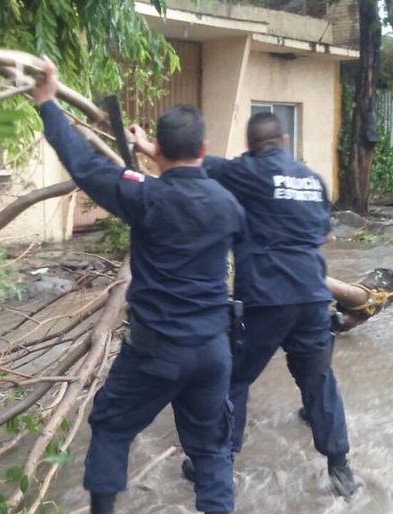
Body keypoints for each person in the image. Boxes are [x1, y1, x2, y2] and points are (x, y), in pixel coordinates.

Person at [32, 57, 245, 514]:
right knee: (210, 450)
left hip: (156, 352)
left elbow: (86, 167)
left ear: (160, 151)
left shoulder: (145, 196)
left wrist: (48, 103)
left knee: (111, 425)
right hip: (212, 350)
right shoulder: (228, 205)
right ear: (204, 148)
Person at [135, 111, 359, 498]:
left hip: (267, 298)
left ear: (252, 146)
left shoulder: (248, 172)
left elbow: (195, 162)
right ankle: (340, 469)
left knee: (233, 377)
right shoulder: (312, 179)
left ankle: (219, 456)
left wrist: (150, 148)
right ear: (284, 140)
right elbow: (322, 236)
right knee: (319, 380)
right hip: (313, 297)